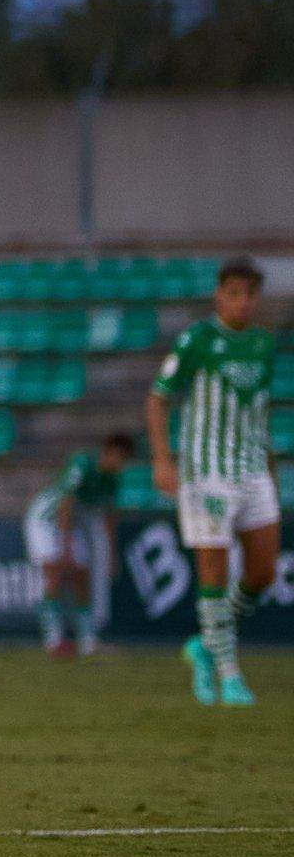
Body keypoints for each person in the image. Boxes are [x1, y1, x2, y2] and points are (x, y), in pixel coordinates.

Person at [149, 255, 277, 707]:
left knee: (263, 572)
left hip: (253, 470)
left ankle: (205, 645)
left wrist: (271, 468)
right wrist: (162, 461)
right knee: (214, 574)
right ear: (219, 295)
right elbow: (158, 398)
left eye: (250, 294)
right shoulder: (197, 340)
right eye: (234, 293)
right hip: (207, 474)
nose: (243, 302)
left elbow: (259, 413)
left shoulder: (263, 344)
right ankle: (227, 673)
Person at [27, 433, 136, 658]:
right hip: (46, 520)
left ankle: (88, 641)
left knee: (81, 576)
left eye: (124, 460)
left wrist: (111, 555)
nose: (120, 464)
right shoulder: (83, 463)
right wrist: (66, 547)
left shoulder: (112, 481)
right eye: (118, 457)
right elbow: (66, 503)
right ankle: (53, 640)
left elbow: (109, 517)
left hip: (71, 524)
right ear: (107, 452)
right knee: (54, 574)